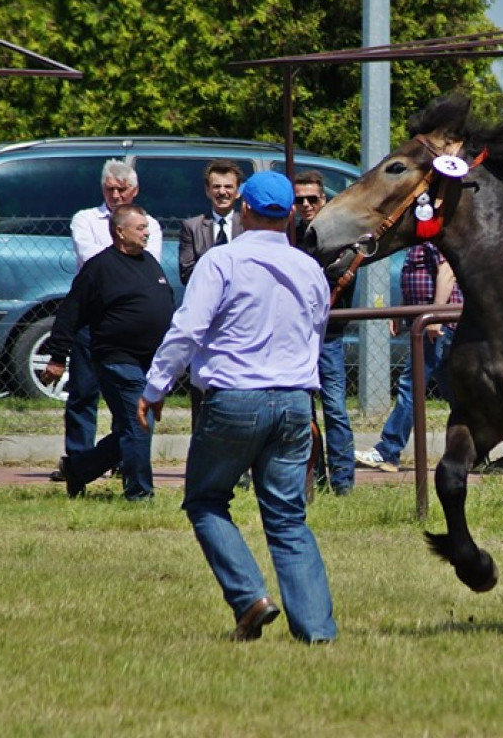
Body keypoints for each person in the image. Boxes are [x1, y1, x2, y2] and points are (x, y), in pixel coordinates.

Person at [138, 171, 336, 644]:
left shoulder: (221, 261)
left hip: (233, 399)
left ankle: (249, 598)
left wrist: (155, 387)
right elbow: (317, 332)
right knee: (288, 517)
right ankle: (317, 631)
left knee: (206, 500)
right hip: (293, 399)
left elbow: (187, 329)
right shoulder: (310, 268)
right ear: (289, 214)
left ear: (243, 209)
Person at [41, 204, 174, 500]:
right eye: (140, 228)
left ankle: (79, 468)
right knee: (138, 426)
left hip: (149, 363)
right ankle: (139, 495)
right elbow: (70, 312)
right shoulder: (99, 268)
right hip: (117, 359)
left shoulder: (149, 262)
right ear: (120, 231)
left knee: (135, 427)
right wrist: (57, 357)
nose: (147, 232)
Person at [354, 243, 462, 473]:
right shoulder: (418, 242)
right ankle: (471, 448)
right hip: (427, 324)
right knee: (456, 394)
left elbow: (447, 272)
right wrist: (403, 311)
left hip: (435, 328)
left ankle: (388, 451)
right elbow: (417, 278)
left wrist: (436, 316)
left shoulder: (434, 236)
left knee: (410, 386)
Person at [292, 170, 355, 496]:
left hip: (329, 336)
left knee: (335, 409)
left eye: (312, 199)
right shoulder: (290, 235)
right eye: (299, 199)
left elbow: (339, 280)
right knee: (303, 411)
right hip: (296, 337)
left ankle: (343, 484)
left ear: (323, 200)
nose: (305, 205)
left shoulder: (337, 235)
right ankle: (311, 479)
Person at [178, 160, 244, 429]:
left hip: (240, 319)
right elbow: (186, 273)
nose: (223, 192)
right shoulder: (193, 227)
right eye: (217, 186)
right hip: (206, 321)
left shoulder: (247, 224)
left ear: (238, 191)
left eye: (229, 187)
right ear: (207, 190)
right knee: (202, 390)